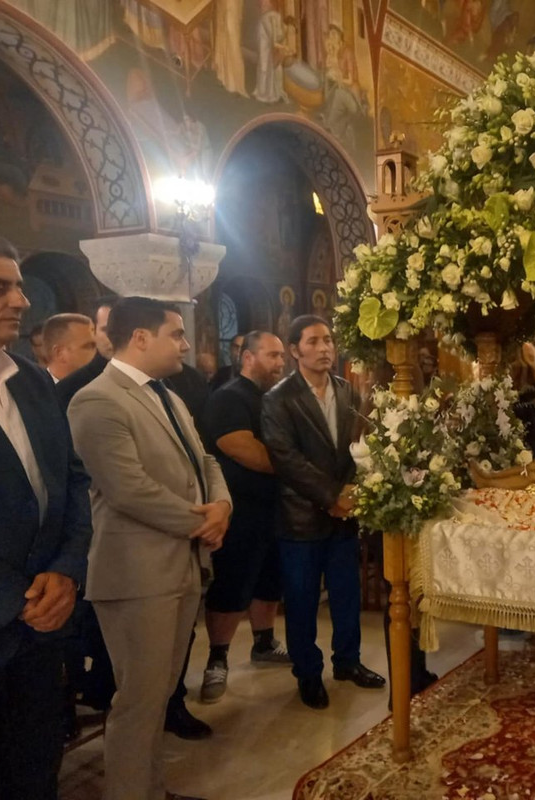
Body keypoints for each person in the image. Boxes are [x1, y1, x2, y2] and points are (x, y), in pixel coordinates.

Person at [67, 297, 232, 800]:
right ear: (140, 337)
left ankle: (151, 790)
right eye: (175, 334)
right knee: (138, 702)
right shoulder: (97, 399)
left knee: (159, 697)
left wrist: (222, 505)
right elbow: (128, 489)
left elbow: (204, 459)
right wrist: (202, 524)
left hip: (180, 565)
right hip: (137, 574)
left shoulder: (168, 395)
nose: (185, 343)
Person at [0, 235, 92, 800]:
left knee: (34, 770)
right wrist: (15, 598)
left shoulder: (29, 379)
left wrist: (67, 571)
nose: (21, 301)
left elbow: (71, 479)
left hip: (43, 624)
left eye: (20, 286)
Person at [261, 315, 385, 710]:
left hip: (342, 514)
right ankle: (308, 673)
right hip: (302, 517)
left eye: (328, 340)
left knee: (346, 594)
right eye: (313, 341)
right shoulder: (279, 398)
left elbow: (355, 447)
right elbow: (286, 458)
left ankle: (348, 662)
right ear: (295, 350)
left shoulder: (346, 390)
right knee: (302, 600)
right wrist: (331, 495)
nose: (325, 348)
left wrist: (351, 491)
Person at [199, 332, 290, 705]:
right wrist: (297, 465)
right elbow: (241, 448)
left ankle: (264, 642)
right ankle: (217, 657)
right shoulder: (229, 397)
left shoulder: (274, 397)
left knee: (270, 578)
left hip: (274, 507)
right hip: (240, 509)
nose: (280, 362)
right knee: (233, 584)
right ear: (248, 357)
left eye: (282, 355)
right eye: (272, 355)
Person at [56, 295, 116, 409]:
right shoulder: (69, 390)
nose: (115, 337)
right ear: (93, 331)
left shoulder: (150, 378)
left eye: (124, 329)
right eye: (106, 330)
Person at [42, 312, 97, 382]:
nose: (97, 352)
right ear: (60, 353)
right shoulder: (36, 387)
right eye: (89, 346)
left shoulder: (101, 385)